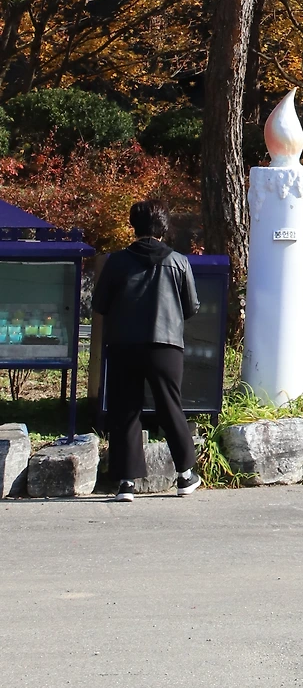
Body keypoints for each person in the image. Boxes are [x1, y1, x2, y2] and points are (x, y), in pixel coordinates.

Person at [92, 200, 201, 501]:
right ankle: (185, 475)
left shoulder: (116, 261)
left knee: (125, 409)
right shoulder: (178, 261)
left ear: (133, 226)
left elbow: (100, 304)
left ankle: (126, 483)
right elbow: (191, 306)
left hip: (123, 343)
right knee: (169, 406)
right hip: (165, 345)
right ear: (164, 227)